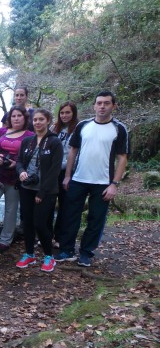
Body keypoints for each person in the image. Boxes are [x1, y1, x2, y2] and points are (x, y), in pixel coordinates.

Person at [55, 91, 129, 267]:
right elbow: (73, 150)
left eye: (106, 103)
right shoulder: (83, 125)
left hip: (103, 182)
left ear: (114, 106)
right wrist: (67, 176)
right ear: (94, 105)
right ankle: (66, 249)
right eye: (99, 103)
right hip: (78, 179)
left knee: (96, 218)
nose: (102, 106)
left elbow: (122, 157)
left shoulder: (119, 128)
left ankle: (86, 253)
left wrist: (114, 184)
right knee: (69, 215)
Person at [15, 109, 63, 272]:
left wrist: (42, 192)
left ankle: (49, 256)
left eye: (41, 119)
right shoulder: (28, 140)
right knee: (27, 222)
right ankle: (29, 253)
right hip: (26, 188)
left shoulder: (54, 142)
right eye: (35, 119)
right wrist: (21, 171)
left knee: (41, 224)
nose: (37, 122)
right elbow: (20, 160)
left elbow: (55, 170)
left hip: (46, 191)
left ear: (48, 120)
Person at [0, 106, 34, 252]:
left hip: (15, 178)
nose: (16, 118)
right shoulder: (2, 131)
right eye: (13, 116)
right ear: (9, 118)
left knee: (10, 210)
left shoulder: (30, 135)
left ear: (24, 118)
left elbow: (31, 157)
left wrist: (16, 164)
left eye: (19, 116)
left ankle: (5, 240)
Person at [49, 102, 79, 243]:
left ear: (73, 113)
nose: (65, 115)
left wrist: (65, 171)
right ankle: (46, 235)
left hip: (67, 171)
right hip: (51, 171)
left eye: (68, 112)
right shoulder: (54, 128)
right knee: (48, 204)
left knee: (64, 204)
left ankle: (59, 237)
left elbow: (76, 153)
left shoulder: (78, 129)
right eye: (62, 113)